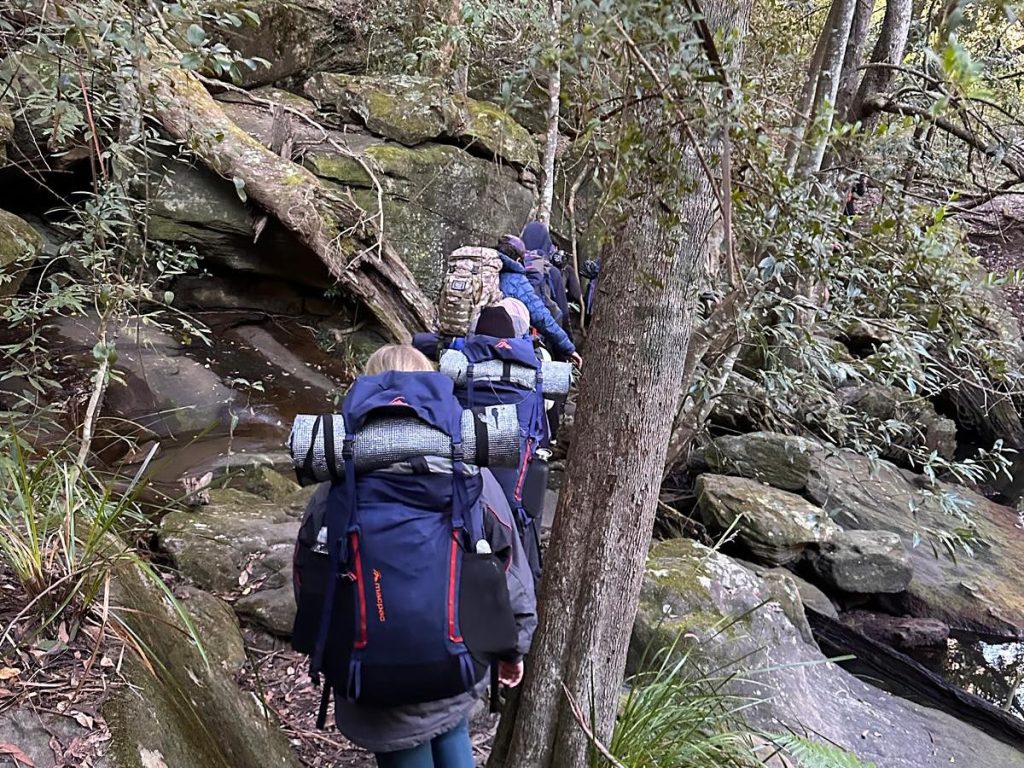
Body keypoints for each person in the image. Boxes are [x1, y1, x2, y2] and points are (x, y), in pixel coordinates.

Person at [302, 344, 537, 768]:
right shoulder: (469, 471)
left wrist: (327, 646)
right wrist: (513, 648)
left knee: (407, 744)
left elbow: (309, 575)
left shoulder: (338, 481)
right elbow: (509, 569)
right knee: (450, 729)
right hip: (456, 658)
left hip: (370, 671)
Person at [496, 234, 582, 368]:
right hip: (506, 345)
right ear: (518, 259)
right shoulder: (517, 279)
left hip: (470, 343)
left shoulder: (481, 270)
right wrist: (569, 348)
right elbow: (541, 316)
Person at [521, 221, 573, 338]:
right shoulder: (551, 271)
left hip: (514, 332)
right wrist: (569, 341)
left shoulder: (515, 264)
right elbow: (564, 313)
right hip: (541, 334)